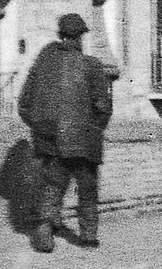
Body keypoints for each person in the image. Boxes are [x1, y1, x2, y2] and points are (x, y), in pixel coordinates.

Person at [16, 13, 115, 252]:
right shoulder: (91, 65)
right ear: (80, 37)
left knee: (52, 185)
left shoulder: (43, 64)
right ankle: (88, 237)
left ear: (61, 35)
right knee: (87, 189)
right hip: (83, 140)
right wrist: (93, 130)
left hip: (50, 138)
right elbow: (103, 107)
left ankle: (45, 228)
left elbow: (24, 105)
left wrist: (41, 129)